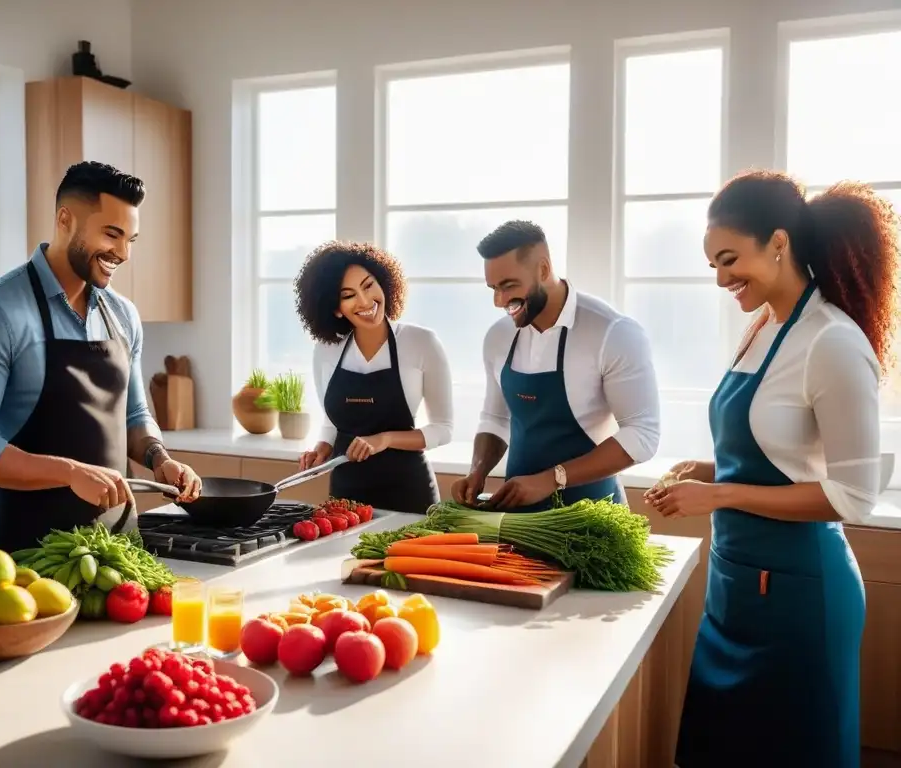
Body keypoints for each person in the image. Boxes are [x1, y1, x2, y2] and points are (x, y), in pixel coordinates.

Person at [644, 170, 898, 768]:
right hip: (736, 588)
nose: (721, 278)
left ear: (778, 242)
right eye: (713, 264)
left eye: (730, 259)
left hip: (801, 597)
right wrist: (705, 469)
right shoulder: (761, 327)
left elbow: (853, 497)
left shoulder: (832, 342)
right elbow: (776, 454)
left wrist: (721, 495)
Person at [0, 161, 202, 554]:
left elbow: (132, 416)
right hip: (24, 560)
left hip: (116, 553)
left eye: (131, 239)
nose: (124, 253)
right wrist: (69, 472)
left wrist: (159, 458)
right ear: (65, 219)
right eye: (112, 234)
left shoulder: (124, 316)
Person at [452, 220, 661, 511]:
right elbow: (495, 418)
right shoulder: (499, 336)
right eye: (493, 288)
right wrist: (478, 470)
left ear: (544, 270)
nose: (499, 301)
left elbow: (642, 434)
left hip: (593, 516)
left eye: (509, 286)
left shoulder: (612, 332)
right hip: (519, 518)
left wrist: (552, 479)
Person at [295, 241, 453, 513]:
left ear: (384, 283)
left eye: (368, 285)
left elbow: (444, 429)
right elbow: (333, 422)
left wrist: (385, 439)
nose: (365, 301)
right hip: (346, 497)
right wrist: (323, 447)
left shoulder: (421, 342)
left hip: (409, 494)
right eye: (349, 295)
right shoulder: (326, 350)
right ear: (335, 308)